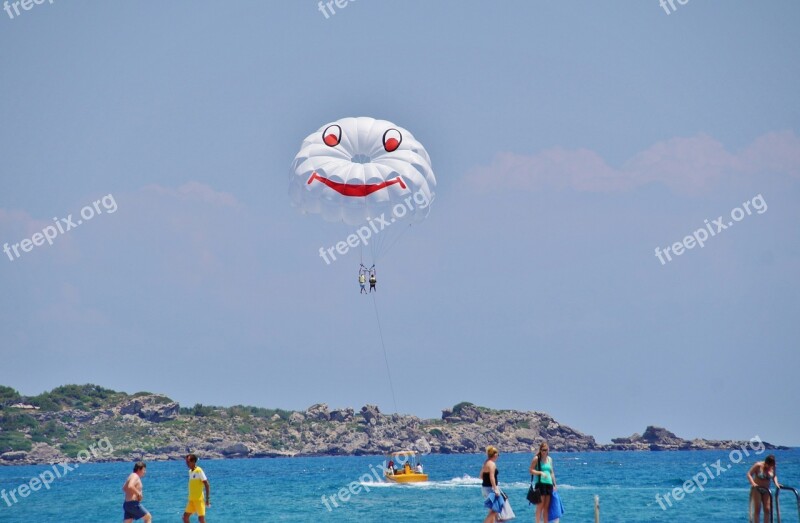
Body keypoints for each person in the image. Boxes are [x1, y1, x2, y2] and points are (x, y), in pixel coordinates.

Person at [747, 455, 781, 523]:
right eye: (769, 466)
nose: (770, 467)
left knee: (767, 509)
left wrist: (776, 483)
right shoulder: (758, 465)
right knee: (757, 509)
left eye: (771, 466)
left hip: (766, 490)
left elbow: (774, 476)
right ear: (766, 463)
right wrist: (753, 483)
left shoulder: (773, 466)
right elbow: (749, 474)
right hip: (757, 489)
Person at [530, 441, 556, 523]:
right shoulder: (537, 459)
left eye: (546, 450)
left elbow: (551, 472)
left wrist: (554, 484)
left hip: (549, 485)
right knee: (540, 506)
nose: (544, 452)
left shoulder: (549, 459)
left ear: (548, 450)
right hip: (540, 484)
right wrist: (540, 472)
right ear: (540, 450)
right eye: (543, 450)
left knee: (546, 507)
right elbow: (531, 470)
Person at [183, 454, 210, 523]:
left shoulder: (199, 470)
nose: (186, 464)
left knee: (201, 519)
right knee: (185, 517)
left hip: (199, 500)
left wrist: (207, 499)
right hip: (191, 500)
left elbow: (206, 484)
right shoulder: (190, 472)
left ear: (193, 462)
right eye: (186, 462)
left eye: (188, 462)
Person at [479, 446, 501, 523]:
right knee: (495, 510)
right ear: (495, 454)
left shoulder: (486, 462)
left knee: (491, 509)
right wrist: (495, 489)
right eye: (498, 454)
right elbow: (492, 477)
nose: (498, 456)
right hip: (490, 489)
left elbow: (481, 476)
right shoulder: (492, 464)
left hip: (484, 488)